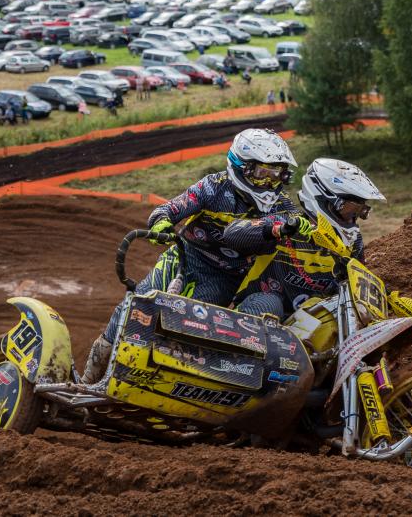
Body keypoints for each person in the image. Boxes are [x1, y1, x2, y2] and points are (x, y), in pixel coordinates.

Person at [83, 128, 301, 383]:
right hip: (185, 256)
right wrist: (161, 223)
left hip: (226, 277)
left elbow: (297, 231)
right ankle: (89, 379)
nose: (269, 183)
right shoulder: (214, 187)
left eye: (276, 174)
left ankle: (154, 382)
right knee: (138, 303)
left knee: (187, 328)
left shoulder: (284, 207)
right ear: (242, 167)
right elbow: (169, 208)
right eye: (263, 173)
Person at [232, 158, 385, 320]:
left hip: (309, 321)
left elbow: (359, 287)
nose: (352, 218)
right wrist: (279, 230)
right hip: (259, 307)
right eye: (348, 209)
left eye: (359, 211)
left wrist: (386, 298)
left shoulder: (353, 243)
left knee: (342, 311)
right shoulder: (287, 222)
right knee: (268, 304)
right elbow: (232, 233)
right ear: (323, 199)